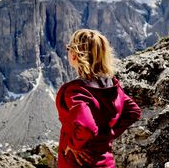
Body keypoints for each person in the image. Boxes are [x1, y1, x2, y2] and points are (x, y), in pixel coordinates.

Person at [56, 29, 141, 168]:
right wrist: (108, 135)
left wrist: (73, 144)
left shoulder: (76, 90)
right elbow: (133, 111)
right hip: (105, 161)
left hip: (78, 163)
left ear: (75, 54)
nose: (68, 51)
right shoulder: (113, 85)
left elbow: (87, 127)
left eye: (69, 48)